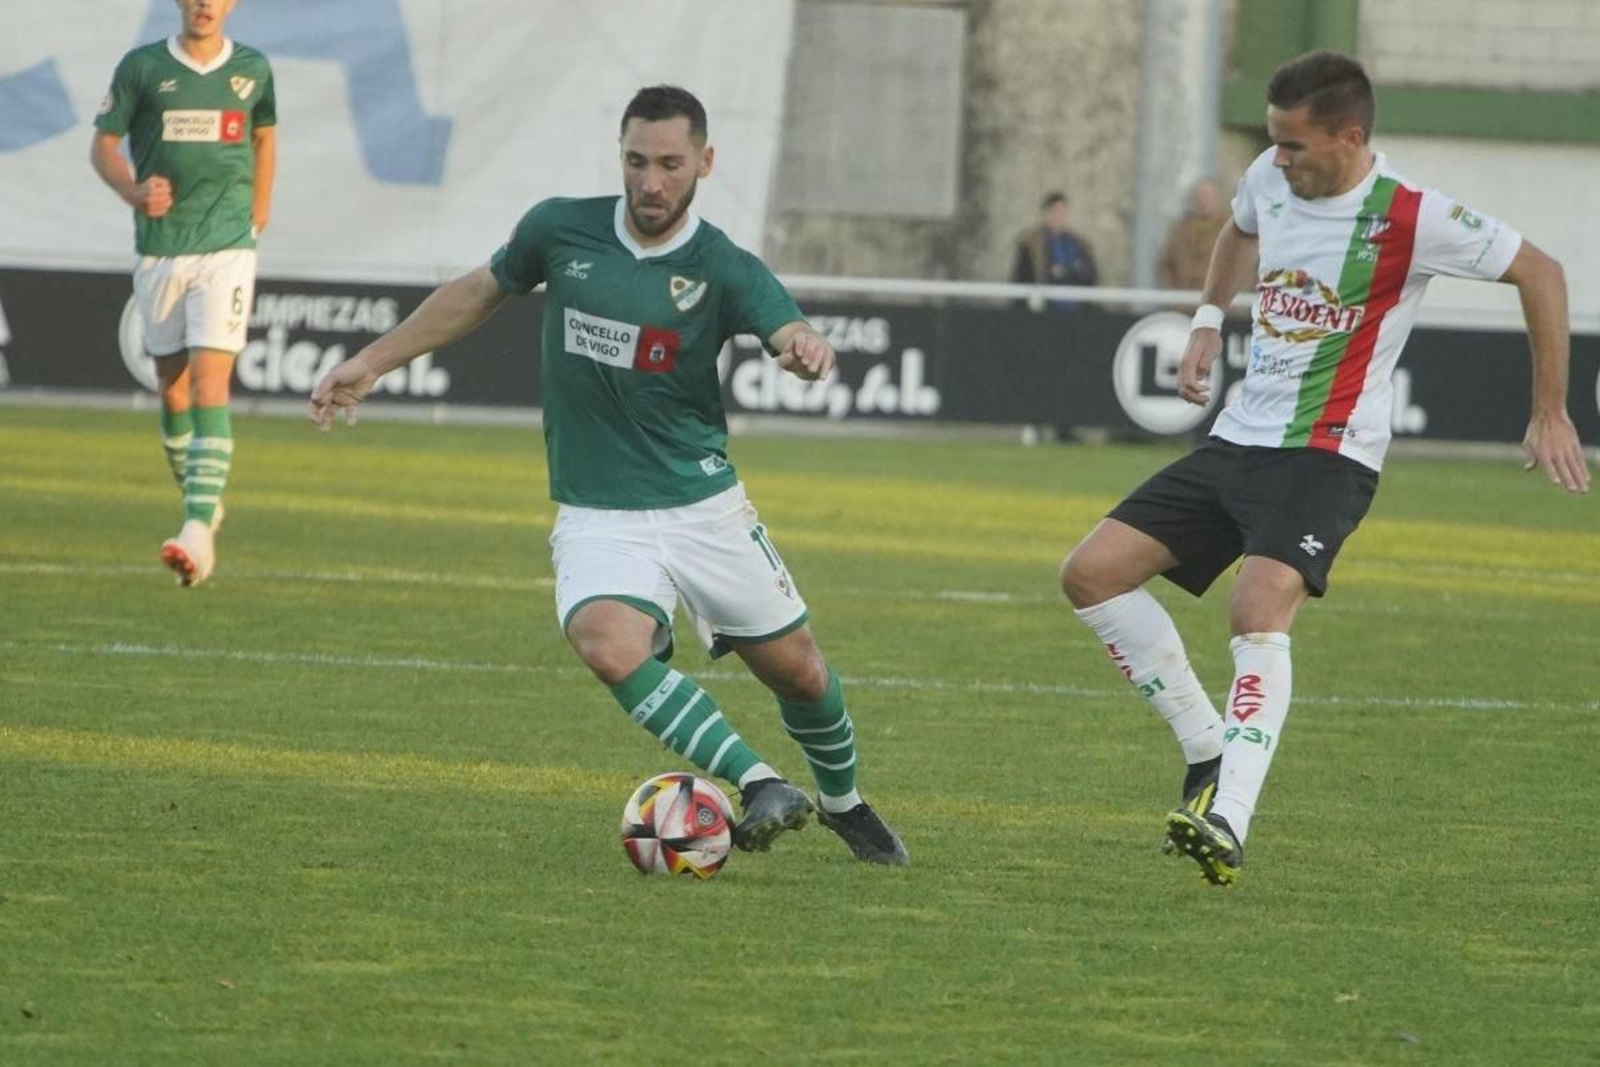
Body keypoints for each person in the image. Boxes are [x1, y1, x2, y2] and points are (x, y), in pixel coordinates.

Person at [308, 85, 908, 866]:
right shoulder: (561, 229)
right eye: (636, 161)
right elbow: (477, 292)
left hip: (703, 507)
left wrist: (802, 346)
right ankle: (759, 782)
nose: (650, 182)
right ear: (619, 155)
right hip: (598, 511)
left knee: (801, 672)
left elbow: (785, 325)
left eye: (669, 164)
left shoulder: (722, 265)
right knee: (603, 637)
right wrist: (370, 362)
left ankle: (843, 803)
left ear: (704, 163)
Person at [1058, 50, 1589, 887]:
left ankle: (1228, 815)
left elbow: (1543, 272)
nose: (1278, 159)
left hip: (1328, 453)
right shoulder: (1270, 179)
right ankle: (1207, 752)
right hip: (1239, 439)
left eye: (1296, 146)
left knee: (1256, 607)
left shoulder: (1412, 215)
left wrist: (1550, 408)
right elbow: (1239, 227)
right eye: (1272, 141)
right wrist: (1206, 320)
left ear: (1349, 136)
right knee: (1091, 574)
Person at [90, 0, 276, 588]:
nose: (204, 3)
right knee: (172, 394)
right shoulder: (142, 68)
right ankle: (202, 498)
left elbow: (264, 137)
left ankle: (197, 530)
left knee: (208, 384)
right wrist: (133, 190)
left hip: (226, 248)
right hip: (161, 249)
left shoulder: (253, 69)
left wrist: (260, 211)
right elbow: (103, 146)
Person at [1010, 192, 1099, 310]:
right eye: (1055, 211)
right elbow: (1022, 278)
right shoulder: (1031, 244)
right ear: (1045, 213)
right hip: (1045, 309)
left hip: (1077, 310)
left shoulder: (1079, 244)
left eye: (1062, 212)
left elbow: (1091, 275)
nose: (1059, 216)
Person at [1157, 178, 1229, 292]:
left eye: (1208, 197)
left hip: (1219, 303)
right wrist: (1173, 295)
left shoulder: (1231, 232)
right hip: (1184, 302)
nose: (1203, 201)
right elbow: (1165, 264)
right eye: (1199, 196)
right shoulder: (1180, 231)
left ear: (1218, 200)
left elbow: (1245, 269)